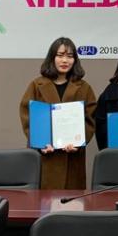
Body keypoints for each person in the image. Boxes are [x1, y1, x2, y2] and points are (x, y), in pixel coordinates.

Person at [19, 37, 96, 189]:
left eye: (69, 56)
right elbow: (27, 116)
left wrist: (79, 142)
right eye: (60, 55)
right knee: (43, 200)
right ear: (52, 58)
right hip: (45, 156)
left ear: (75, 60)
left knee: (71, 201)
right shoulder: (37, 85)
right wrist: (39, 143)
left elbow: (90, 119)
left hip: (72, 156)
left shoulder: (84, 87)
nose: (65, 60)